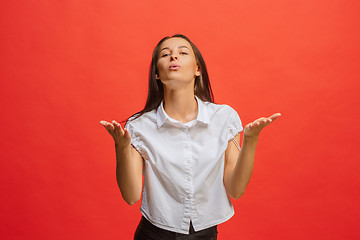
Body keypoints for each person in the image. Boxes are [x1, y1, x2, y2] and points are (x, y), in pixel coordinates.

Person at [100, 34, 281, 239]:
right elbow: (131, 196)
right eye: (165, 54)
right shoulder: (139, 125)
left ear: (198, 69)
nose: (173, 57)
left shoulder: (224, 118)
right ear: (157, 74)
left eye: (182, 52)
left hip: (205, 235)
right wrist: (121, 147)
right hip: (153, 234)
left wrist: (251, 140)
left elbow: (236, 189)